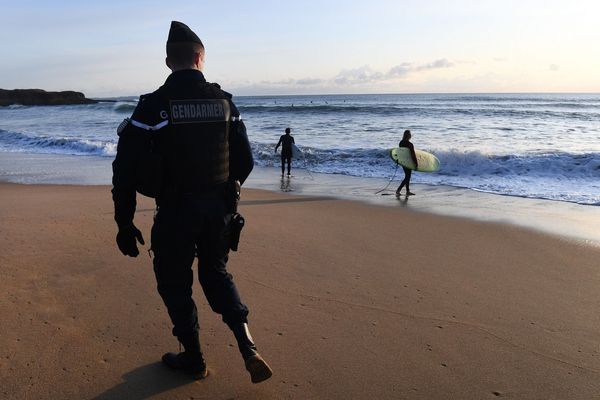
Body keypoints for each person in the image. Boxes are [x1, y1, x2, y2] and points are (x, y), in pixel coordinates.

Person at [111, 21, 272, 384]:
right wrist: (225, 197)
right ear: (201, 58)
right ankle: (247, 346)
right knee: (216, 274)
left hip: (175, 212)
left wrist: (124, 222)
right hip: (218, 211)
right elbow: (244, 162)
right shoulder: (225, 104)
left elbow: (124, 169)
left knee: (174, 283)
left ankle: (194, 357)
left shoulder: (152, 107)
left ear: (169, 62)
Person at [395, 129, 418, 196]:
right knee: (407, 177)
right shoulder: (410, 144)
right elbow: (413, 154)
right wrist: (416, 163)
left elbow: (400, 152)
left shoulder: (401, 142)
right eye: (410, 134)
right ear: (409, 136)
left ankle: (407, 191)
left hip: (403, 161)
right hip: (409, 161)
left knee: (407, 176)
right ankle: (398, 190)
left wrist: (398, 160)